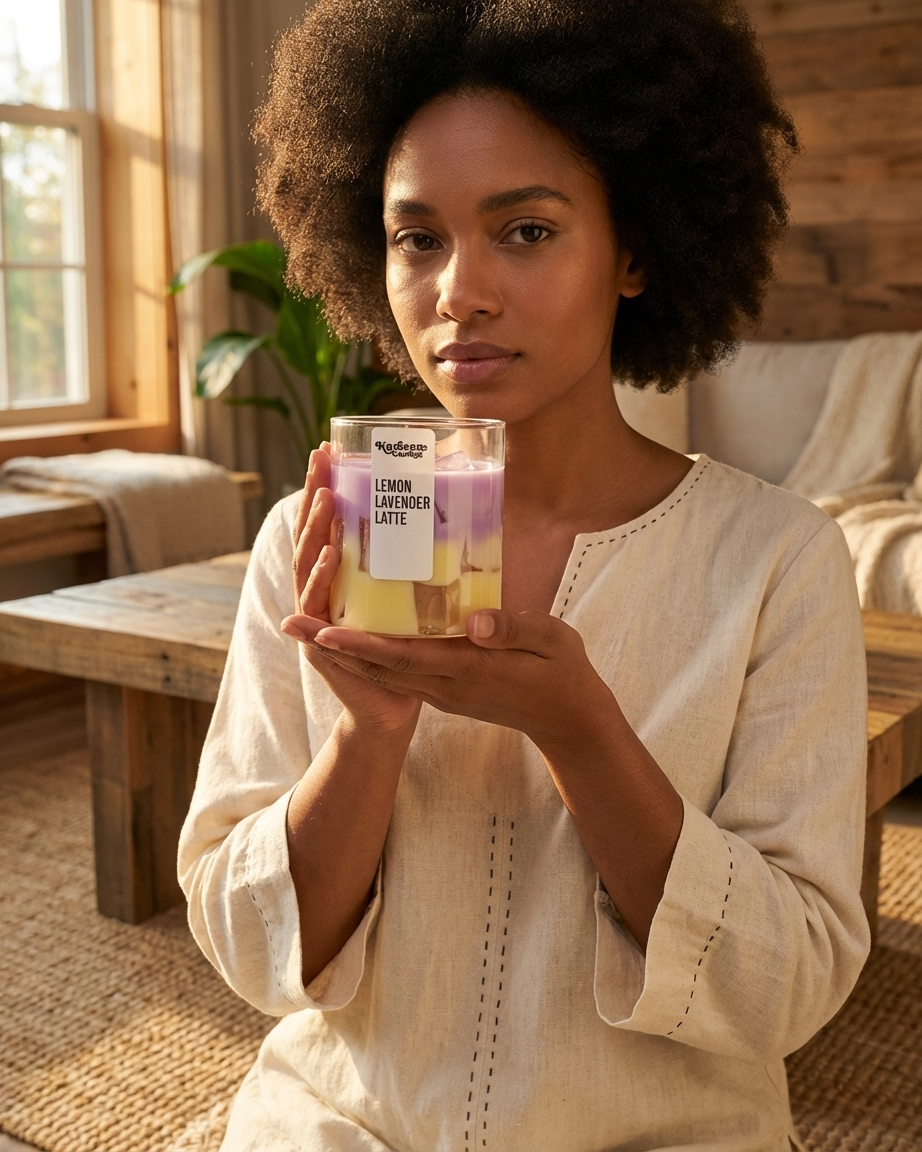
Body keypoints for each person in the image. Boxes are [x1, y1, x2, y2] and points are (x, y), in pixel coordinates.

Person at [178, 1, 871, 1148]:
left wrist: (582, 728)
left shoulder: (774, 558)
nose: (457, 292)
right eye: (416, 237)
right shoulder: (312, 541)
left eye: (528, 230)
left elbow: (785, 984)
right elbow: (250, 953)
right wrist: (364, 734)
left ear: (637, 247)